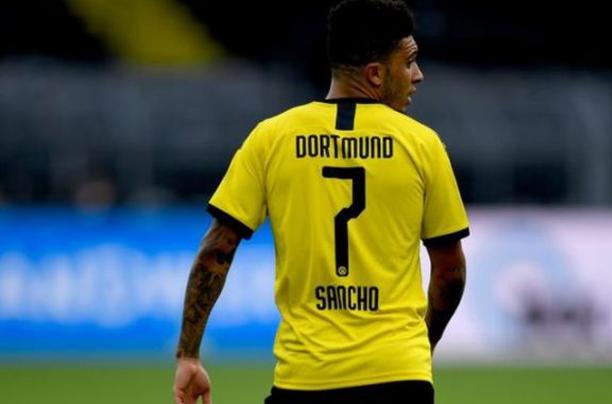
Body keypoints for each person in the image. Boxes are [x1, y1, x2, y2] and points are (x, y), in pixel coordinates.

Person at [173, 0, 468, 403]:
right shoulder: (423, 145)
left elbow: (216, 251)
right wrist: (420, 346)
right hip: (400, 375)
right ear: (375, 74)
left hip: (305, 380)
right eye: (409, 62)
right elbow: (450, 272)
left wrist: (188, 355)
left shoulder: (271, 138)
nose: (418, 75)